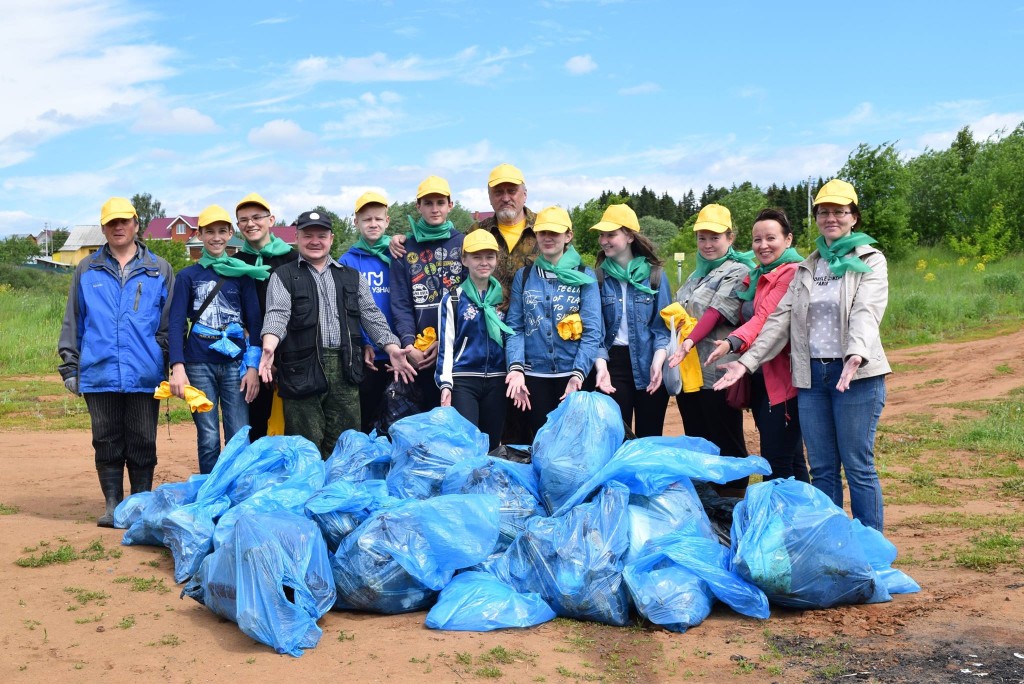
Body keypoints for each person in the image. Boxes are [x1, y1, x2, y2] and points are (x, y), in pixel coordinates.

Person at [714, 180, 891, 531]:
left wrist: (856, 353)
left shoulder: (870, 259)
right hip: (811, 377)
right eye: (824, 212)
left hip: (857, 375)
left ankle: (872, 551)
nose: (831, 218)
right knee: (822, 467)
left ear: (853, 217)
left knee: (858, 465)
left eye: (840, 212)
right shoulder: (810, 267)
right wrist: (746, 362)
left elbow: (866, 310)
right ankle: (829, 543)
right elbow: (779, 320)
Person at [259, 210, 416, 459]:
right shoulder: (284, 276)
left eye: (321, 235)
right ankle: (309, 494)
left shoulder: (350, 276)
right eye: (307, 235)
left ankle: (339, 495)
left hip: (345, 369)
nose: (314, 241)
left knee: (345, 445)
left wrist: (391, 346)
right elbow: (277, 314)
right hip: (301, 369)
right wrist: (269, 344)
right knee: (305, 445)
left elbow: (371, 315)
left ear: (331, 238)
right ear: (297, 238)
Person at [58, 197, 174, 527]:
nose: (118, 227)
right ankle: (112, 505)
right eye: (112, 223)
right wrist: (70, 364)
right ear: (104, 228)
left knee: (142, 441)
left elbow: (169, 324)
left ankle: (139, 508)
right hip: (99, 370)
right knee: (106, 440)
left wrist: (160, 360)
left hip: (144, 373)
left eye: (124, 221)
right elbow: (74, 319)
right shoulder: (87, 269)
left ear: (136, 224)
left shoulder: (159, 268)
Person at [704, 208, 808, 482]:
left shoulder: (790, 274)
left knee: (777, 463)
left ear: (788, 240)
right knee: (791, 459)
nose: (762, 246)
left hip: (783, 381)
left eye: (770, 238)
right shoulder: (758, 276)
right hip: (761, 377)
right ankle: (804, 519)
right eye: (757, 240)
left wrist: (730, 343)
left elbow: (766, 319)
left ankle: (780, 522)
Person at [167, 205, 266, 474]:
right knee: (208, 435)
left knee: (238, 432)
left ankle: (236, 490)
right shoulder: (188, 276)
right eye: (209, 231)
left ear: (231, 233)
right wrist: (178, 366)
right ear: (199, 234)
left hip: (235, 364)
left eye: (222, 231)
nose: (216, 237)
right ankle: (210, 490)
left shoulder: (242, 274)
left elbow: (255, 324)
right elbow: (176, 323)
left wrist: (253, 367)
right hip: (198, 362)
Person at [669, 203, 754, 495]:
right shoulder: (695, 275)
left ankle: (732, 501)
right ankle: (708, 501)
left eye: (714, 237)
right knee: (698, 439)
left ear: (730, 238)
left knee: (726, 439)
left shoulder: (738, 270)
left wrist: (689, 338)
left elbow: (715, 313)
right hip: (690, 374)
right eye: (702, 238)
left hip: (718, 371)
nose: (707, 244)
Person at [505, 206, 603, 438]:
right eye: (542, 233)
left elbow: (592, 330)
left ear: (568, 236)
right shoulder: (525, 276)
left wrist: (578, 374)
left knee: (574, 444)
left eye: (555, 233)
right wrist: (516, 367)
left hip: (573, 376)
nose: (548, 238)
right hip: (534, 377)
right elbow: (515, 327)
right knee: (541, 442)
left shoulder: (584, 275)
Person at [588, 203, 671, 437]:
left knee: (649, 439)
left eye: (611, 234)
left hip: (650, 363)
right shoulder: (598, 278)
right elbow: (596, 331)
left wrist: (658, 361)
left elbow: (662, 328)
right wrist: (601, 366)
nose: (604, 240)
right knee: (616, 439)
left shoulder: (655, 276)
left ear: (630, 236)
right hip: (611, 367)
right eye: (602, 235)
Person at [389, 176, 466, 411]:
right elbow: (400, 303)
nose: (435, 209)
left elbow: (470, 299)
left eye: (440, 202)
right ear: (418, 206)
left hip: (457, 351)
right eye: (428, 203)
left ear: (450, 205)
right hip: (418, 355)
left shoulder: (464, 244)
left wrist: (446, 342)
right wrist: (409, 345)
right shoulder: (404, 248)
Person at [436, 230, 514, 450]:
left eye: (489, 256)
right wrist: (445, 385)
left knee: (492, 444)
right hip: (464, 380)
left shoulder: (504, 300)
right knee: (467, 444)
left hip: (498, 379)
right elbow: (446, 346)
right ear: (464, 259)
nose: (483, 262)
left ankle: (488, 484)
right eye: (477, 256)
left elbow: (513, 339)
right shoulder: (452, 299)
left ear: (496, 260)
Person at [234, 193, 298, 441]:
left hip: (290, 354)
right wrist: (257, 353)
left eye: (257, 217)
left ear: (271, 220)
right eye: (244, 220)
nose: (251, 224)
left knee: (292, 423)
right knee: (255, 422)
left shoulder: (293, 259)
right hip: (252, 355)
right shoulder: (235, 264)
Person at [339, 191, 396, 433]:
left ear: (387, 221)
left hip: (399, 354)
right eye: (366, 219)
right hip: (368, 357)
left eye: (378, 219)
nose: (373, 224)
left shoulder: (398, 255)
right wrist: (362, 342)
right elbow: (346, 310)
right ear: (356, 222)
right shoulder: (348, 261)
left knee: (397, 419)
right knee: (366, 418)